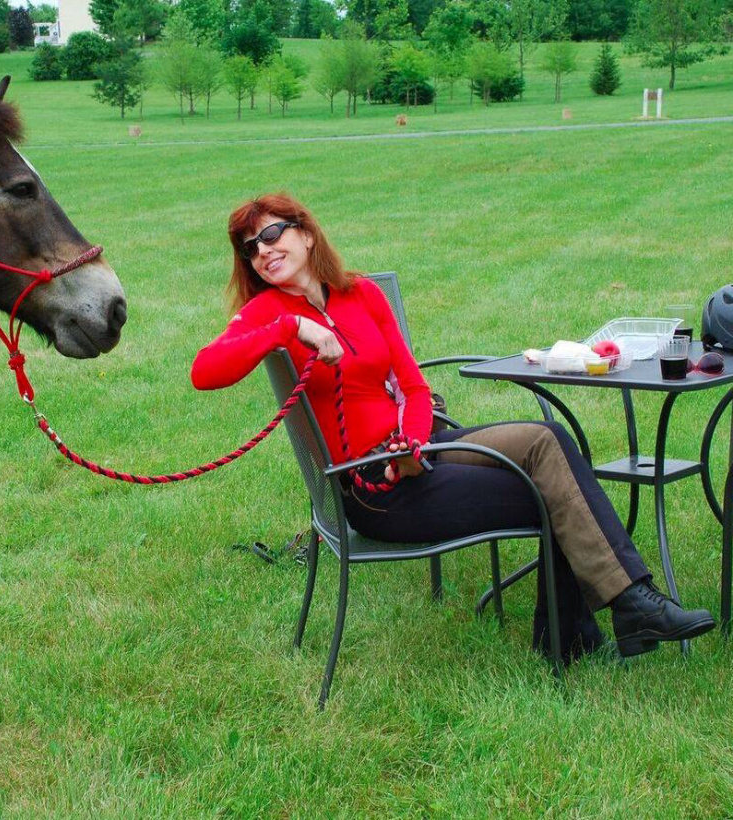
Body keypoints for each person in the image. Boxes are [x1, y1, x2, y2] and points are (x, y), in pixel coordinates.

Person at [191, 192, 715, 660]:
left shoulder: (361, 295)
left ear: (305, 233)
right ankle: (588, 629)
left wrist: (414, 444)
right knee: (555, 489)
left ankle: (621, 611)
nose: (262, 250)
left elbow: (415, 389)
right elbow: (204, 371)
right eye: (249, 247)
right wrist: (291, 324)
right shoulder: (266, 312)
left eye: (272, 234)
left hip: (419, 449)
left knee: (547, 443)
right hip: (373, 488)